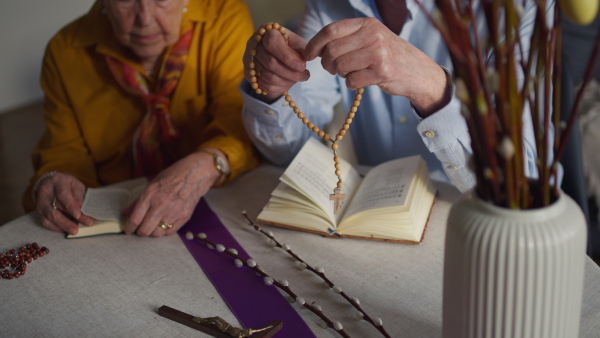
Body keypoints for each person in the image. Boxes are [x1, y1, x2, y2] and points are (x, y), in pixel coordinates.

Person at [240, 0, 554, 192]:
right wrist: (270, 91)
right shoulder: (327, 4)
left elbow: (521, 182)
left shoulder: (520, 8)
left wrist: (432, 87)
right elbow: (289, 152)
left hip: (479, 229)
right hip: (376, 227)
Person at [23, 0, 259, 237]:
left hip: (216, 198)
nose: (145, 19)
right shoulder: (65, 51)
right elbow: (64, 155)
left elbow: (242, 121)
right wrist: (55, 182)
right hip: (118, 220)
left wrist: (204, 167)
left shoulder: (224, 16)